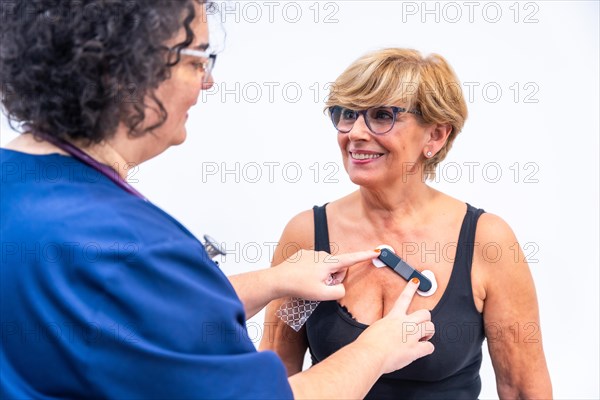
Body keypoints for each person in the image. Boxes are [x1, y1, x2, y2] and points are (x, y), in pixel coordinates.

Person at [0, 2, 436, 399]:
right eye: (197, 60)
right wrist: (375, 350)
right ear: (125, 68)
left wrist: (272, 280)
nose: (208, 82)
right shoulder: (139, 245)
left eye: (382, 115)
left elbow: (139, 313)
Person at [260, 48, 553, 399]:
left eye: (382, 116)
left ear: (436, 136)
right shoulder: (307, 236)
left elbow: (523, 390)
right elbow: (274, 374)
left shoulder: (486, 242)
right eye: (346, 114)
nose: (354, 133)